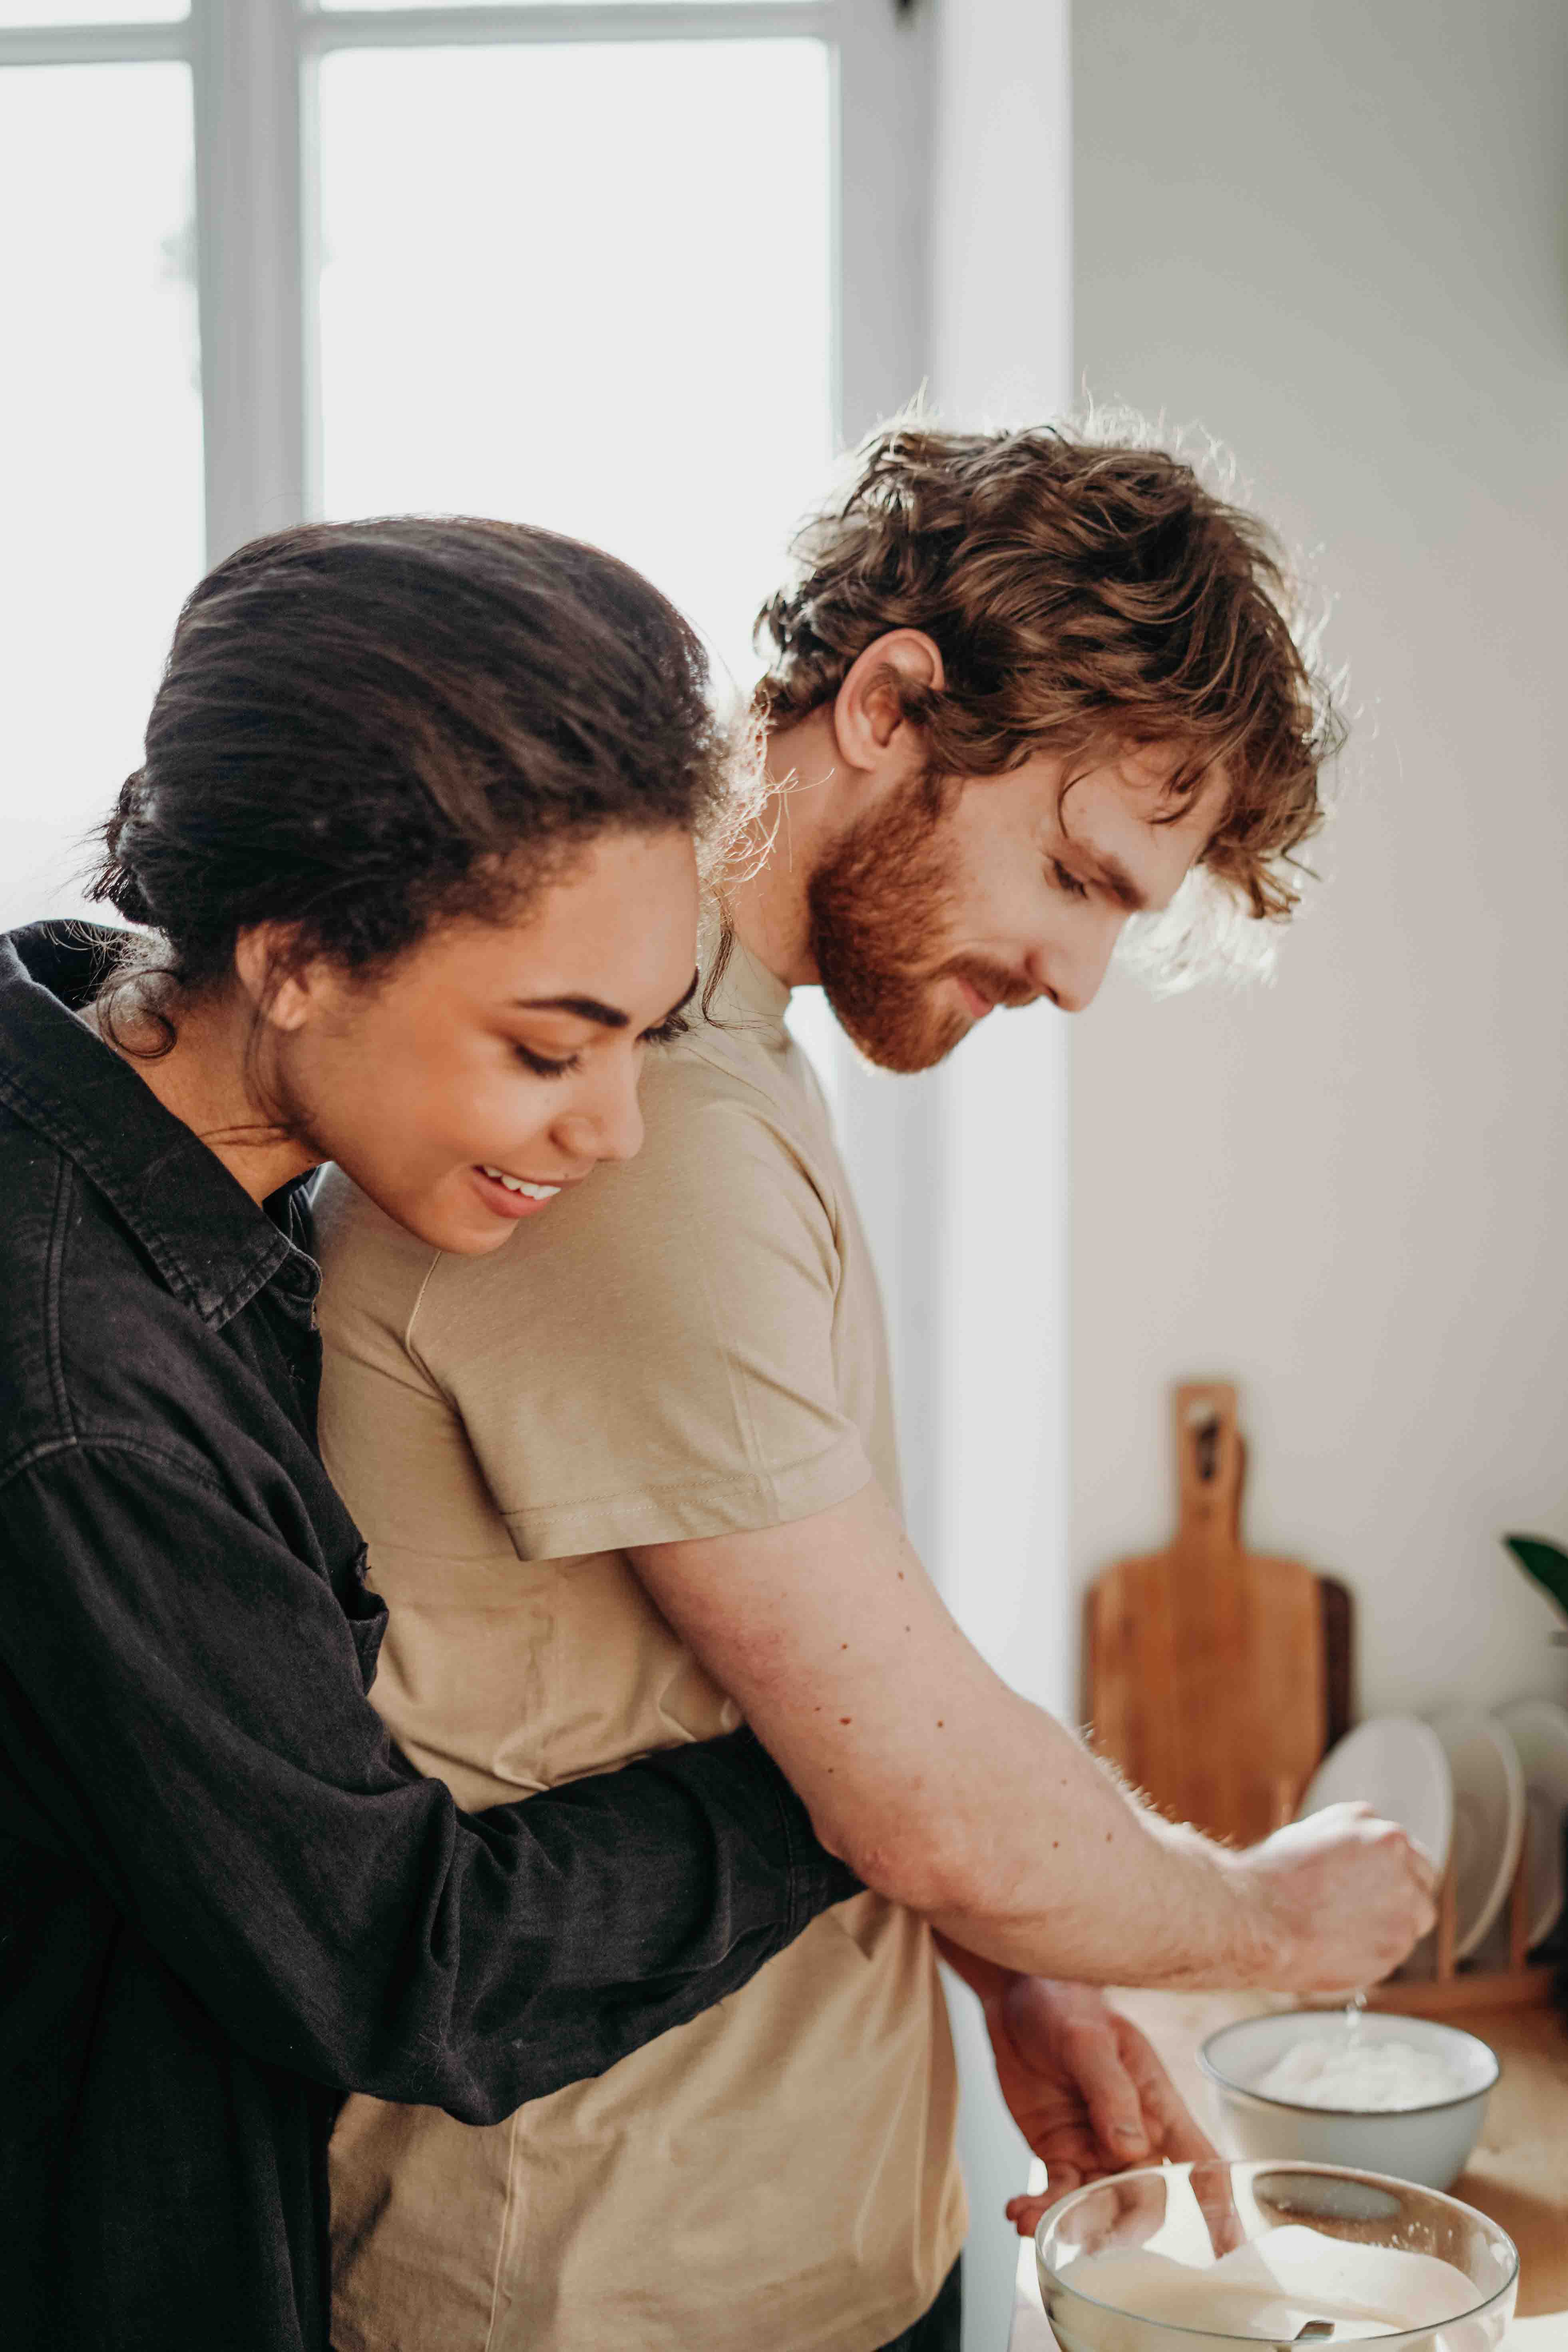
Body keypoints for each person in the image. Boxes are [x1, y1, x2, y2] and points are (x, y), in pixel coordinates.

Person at [317, 429, 1438, 2352]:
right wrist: (1265, 1917)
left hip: (773, 2242)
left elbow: (799, 1674)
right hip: (612, 2290)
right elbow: (914, 1792)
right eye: (1079, 874)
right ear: (894, 699)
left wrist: (1021, 1961)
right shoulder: (639, 1116)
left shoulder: (728, 1060)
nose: (1081, 977)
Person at [0, 517, 874, 2352]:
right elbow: (402, 1958)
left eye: (643, 1039)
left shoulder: (92, 1021)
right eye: (551, 1050)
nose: (620, 1130)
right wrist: (850, 1775)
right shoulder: (84, 1392)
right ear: (300, 954)